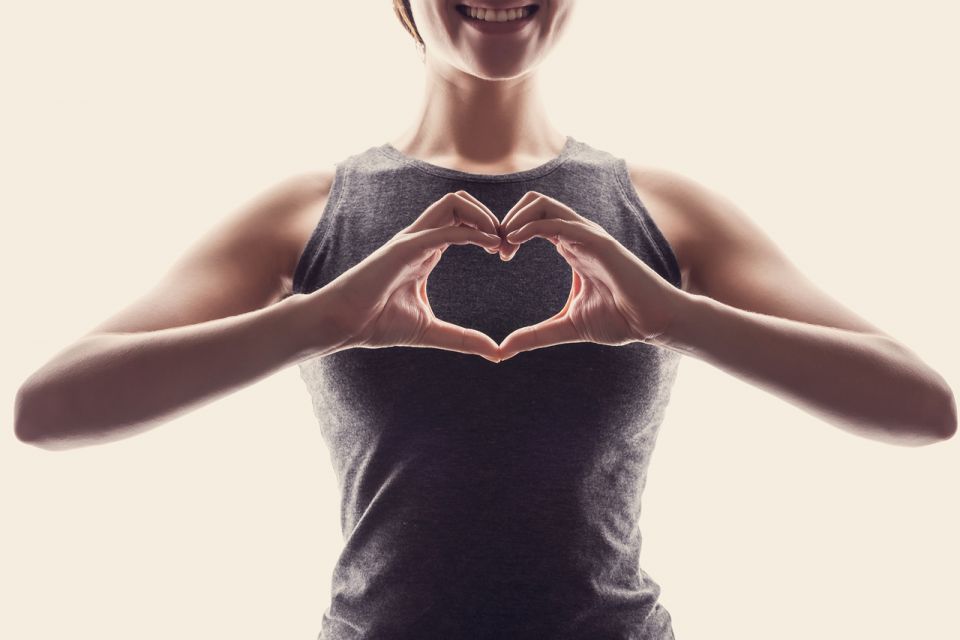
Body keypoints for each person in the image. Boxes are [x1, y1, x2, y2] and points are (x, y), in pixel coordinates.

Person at [13, 0, 956, 638]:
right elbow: (49, 410)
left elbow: (924, 407)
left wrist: (680, 319)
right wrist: (314, 321)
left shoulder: (662, 208)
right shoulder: (310, 213)